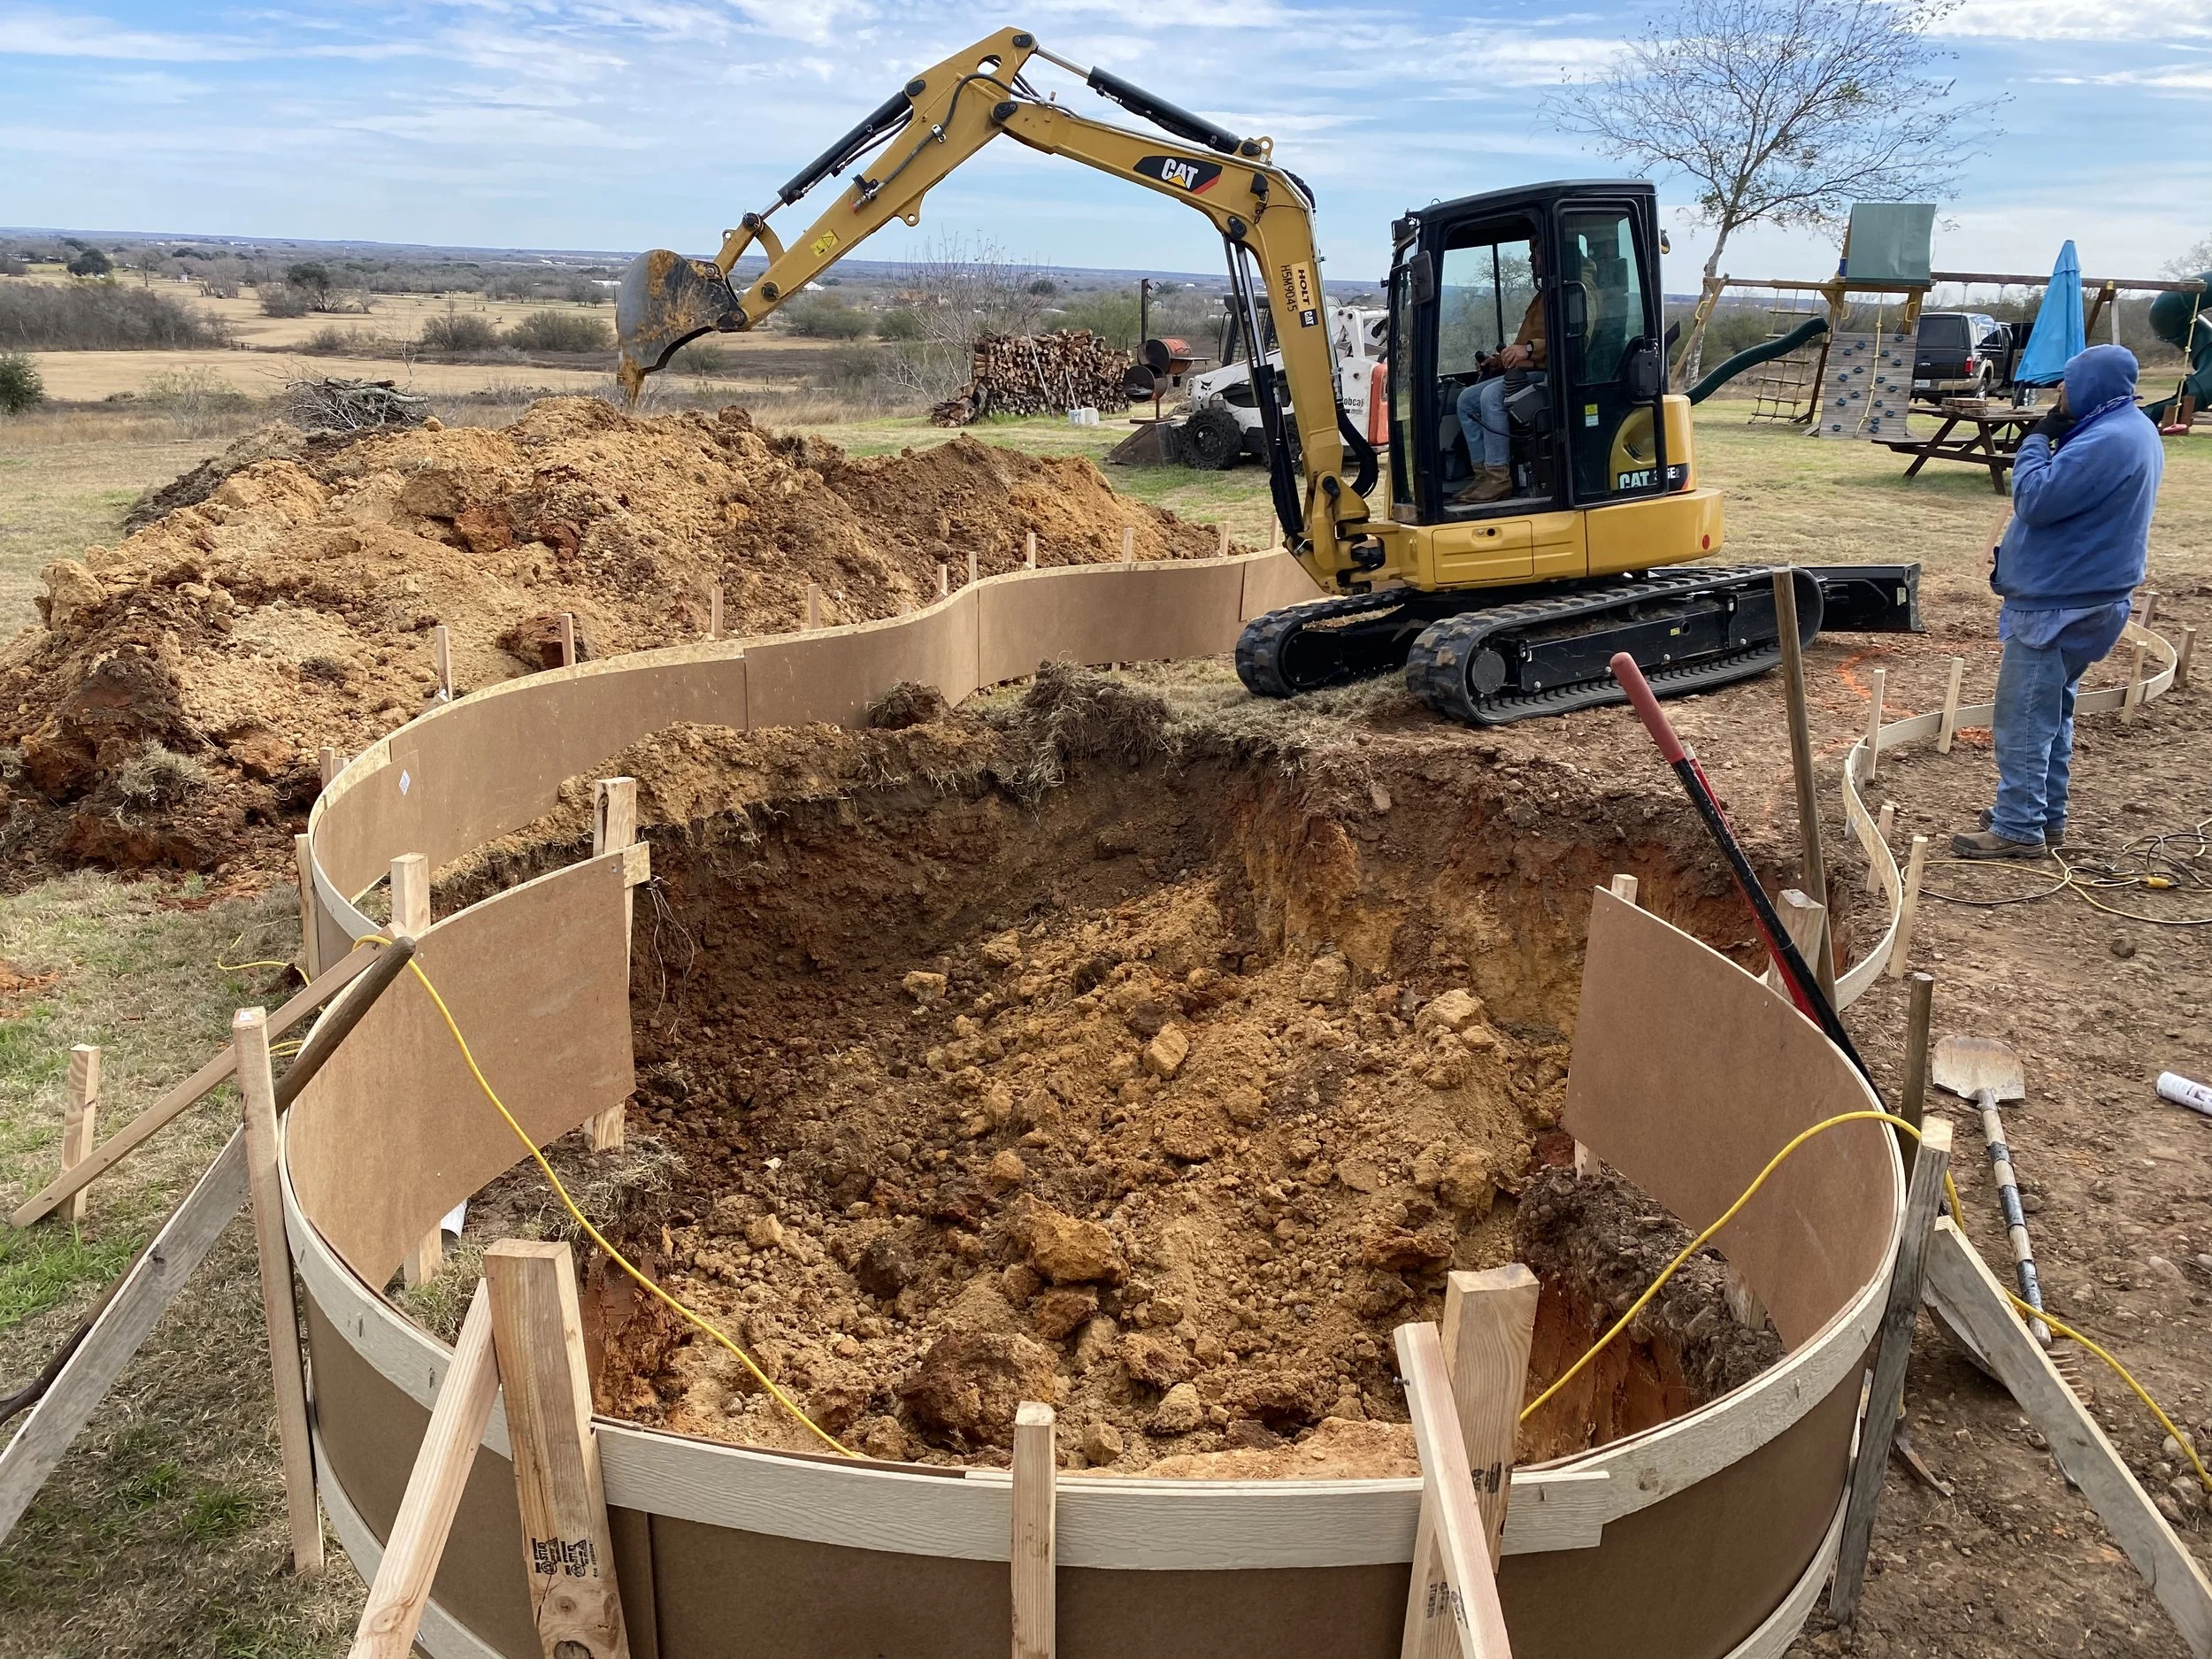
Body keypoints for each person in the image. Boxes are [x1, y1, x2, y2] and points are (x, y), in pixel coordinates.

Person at [1954, 343, 2163, 859]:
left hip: (2060, 605)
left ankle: (2018, 827)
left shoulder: (2107, 440)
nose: (2058, 393)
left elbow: (2035, 499)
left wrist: (2035, 441)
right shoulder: (2128, 429)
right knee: (2054, 709)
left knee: (2023, 717)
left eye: (2066, 383)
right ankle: (2041, 815)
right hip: (2089, 596)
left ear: (2090, 386)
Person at [1455, 266, 1546, 505]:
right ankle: (1483, 475)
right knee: (1467, 400)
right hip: (1530, 369)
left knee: (1491, 396)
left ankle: (1499, 476)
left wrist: (1528, 349)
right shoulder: (1544, 294)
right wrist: (1499, 362)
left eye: (1535, 249)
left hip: (1551, 375)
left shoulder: (1578, 288)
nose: (1530, 258)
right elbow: (1526, 345)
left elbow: (1575, 337)